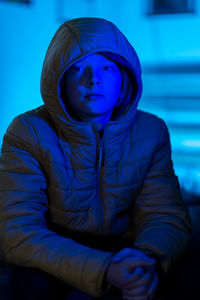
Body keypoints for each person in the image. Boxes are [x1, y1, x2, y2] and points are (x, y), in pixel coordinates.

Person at [0, 17, 191, 300]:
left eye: (107, 67)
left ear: (124, 77)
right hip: (55, 252)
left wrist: (146, 259)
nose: (94, 79)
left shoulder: (151, 131)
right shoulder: (28, 131)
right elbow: (16, 229)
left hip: (128, 250)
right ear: (59, 81)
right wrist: (103, 269)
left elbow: (164, 214)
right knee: (30, 286)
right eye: (78, 68)